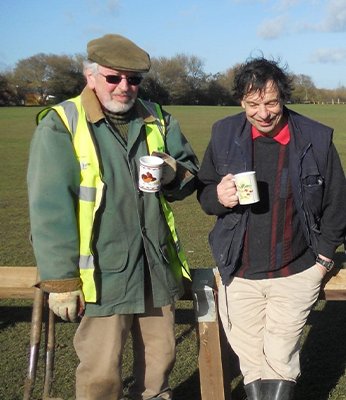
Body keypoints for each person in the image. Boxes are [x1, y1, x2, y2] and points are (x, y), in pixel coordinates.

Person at [27, 34, 198, 400]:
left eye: (133, 79)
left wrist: (172, 174)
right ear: (90, 75)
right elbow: (49, 210)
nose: (124, 87)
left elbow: (189, 174)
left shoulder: (157, 118)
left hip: (155, 267)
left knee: (159, 367)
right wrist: (61, 281)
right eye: (113, 77)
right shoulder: (61, 124)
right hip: (102, 275)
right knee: (101, 376)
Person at [196, 58, 346, 400]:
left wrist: (324, 258)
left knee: (280, 361)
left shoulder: (315, 138)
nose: (263, 114)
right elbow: (204, 193)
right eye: (253, 104)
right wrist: (218, 197)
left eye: (271, 103)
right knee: (252, 365)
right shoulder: (223, 134)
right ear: (241, 101)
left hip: (296, 271)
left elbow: (338, 201)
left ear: (283, 98)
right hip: (239, 273)